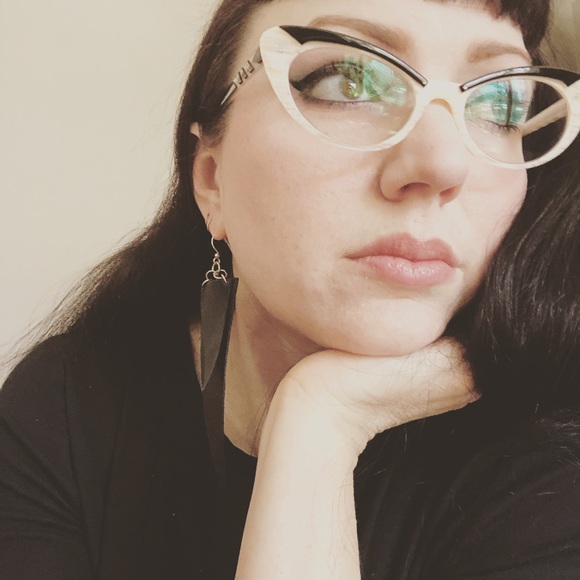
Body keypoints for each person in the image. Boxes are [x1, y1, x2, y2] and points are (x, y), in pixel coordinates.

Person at [1, 0, 579, 578]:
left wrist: (321, 417)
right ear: (211, 180)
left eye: (500, 103)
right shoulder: (67, 411)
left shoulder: (552, 470)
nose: (442, 165)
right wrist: (319, 427)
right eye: (347, 80)